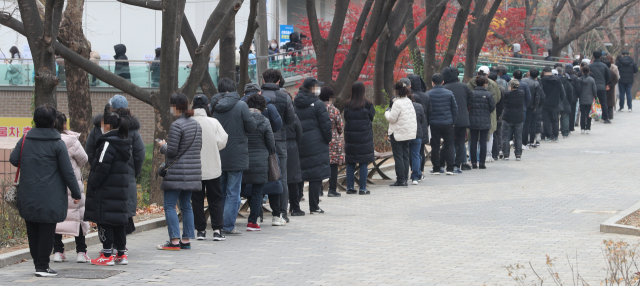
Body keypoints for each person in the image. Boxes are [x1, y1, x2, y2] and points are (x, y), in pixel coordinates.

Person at [10, 105, 81, 276]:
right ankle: (42, 266)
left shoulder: (25, 139)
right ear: (53, 121)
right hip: (51, 197)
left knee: (33, 231)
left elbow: (13, 159)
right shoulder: (57, 143)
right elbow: (68, 172)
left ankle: (38, 265)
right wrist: (76, 194)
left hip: (28, 194)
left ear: (35, 119)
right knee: (47, 232)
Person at [85, 104, 132, 265]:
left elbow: (101, 167)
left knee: (104, 220)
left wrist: (93, 184)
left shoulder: (107, 143)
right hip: (119, 190)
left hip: (105, 191)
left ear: (108, 126)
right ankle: (121, 253)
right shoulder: (123, 143)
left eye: (102, 125)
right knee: (118, 221)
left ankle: (106, 255)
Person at [155, 93, 202, 250]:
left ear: (175, 107)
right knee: (186, 206)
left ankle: (174, 240)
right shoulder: (196, 125)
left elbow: (173, 151)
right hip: (192, 172)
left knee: (169, 205)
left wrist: (163, 145)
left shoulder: (177, 125)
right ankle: (186, 240)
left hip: (176, 173)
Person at [52, 112, 91, 264]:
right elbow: (84, 159)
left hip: (55, 185)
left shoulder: (49, 140)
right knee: (77, 217)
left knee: (55, 219)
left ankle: (58, 251)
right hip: (72, 184)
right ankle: (81, 252)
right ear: (64, 125)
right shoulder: (71, 140)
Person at [191, 94, 228, 241]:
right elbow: (223, 140)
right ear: (207, 106)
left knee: (197, 200)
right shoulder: (213, 122)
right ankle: (217, 230)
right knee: (215, 199)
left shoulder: (188, 122)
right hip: (212, 167)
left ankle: (200, 231)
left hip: (193, 168)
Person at [261, 69, 295, 223]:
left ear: (263, 81)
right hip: (280, 140)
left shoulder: (257, 96)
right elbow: (290, 120)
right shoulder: (284, 97)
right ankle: (282, 213)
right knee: (281, 176)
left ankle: (258, 214)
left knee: (259, 175)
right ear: (278, 81)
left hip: (259, 140)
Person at [108, 97, 145, 238]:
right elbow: (140, 154)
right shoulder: (134, 131)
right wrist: (135, 172)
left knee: (109, 209)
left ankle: (109, 246)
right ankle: (121, 246)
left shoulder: (107, 126)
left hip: (107, 174)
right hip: (127, 175)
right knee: (124, 209)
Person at [294, 77, 332, 213]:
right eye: (317, 86)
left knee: (299, 174)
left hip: (299, 141)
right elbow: (326, 125)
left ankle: (295, 205)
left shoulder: (295, 103)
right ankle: (314, 206)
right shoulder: (318, 104)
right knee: (316, 175)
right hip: (316, 143)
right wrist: (327, 139)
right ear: (312, 88)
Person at [242, 94, 276, 231]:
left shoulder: (241, 119)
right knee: (257, 192)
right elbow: (271, 143)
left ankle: (228, 221)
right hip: (260, 162)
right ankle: (252, 222)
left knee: (235, 190)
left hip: (242, 159)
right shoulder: (265, 121)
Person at [344, 81, 375, 194]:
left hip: (351, 138)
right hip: (364, 138)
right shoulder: (368, 104)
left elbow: (346, 118)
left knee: (351, 163)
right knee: (363, 163)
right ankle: (362, 188)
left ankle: (350, 188)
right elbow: (372, 117)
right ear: (363, 91)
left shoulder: (347, 104)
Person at [386, 81, 417, 185]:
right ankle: (405, 179)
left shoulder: (397, 103)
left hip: (398, 133)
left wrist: (387, 112)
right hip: (407, 133)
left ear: (396, 91)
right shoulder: (409, 101)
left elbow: (392, 119)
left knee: (398, 156)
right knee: (405, 156)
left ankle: (400, 179)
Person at [467, 66, 501, 163]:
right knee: (486, 139)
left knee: (472, 139)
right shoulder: (492, 85)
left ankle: (472, 160)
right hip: (487, 117)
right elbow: (496, 99)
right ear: (487, 75)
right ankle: (483, 159)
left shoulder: (469, 84)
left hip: (472, 116)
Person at [442, 66, 472, 171]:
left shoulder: (444, 88)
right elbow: (471, 99)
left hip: (449, 119)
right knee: (460, 142)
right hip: (463, 119)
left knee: (448, 142)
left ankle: (446, 163)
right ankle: (458, 164)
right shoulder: (464, 86)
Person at [429, 73, 458, 175]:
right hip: (448, 123)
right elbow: (455, 109)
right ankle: (450, 168)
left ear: (432, 82)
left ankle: (436, 168)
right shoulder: (449, 93)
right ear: (443, 82)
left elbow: (428, 110)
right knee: (449, 145)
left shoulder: (429, 94)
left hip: (434, 123)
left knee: (435, 146)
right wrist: (453, 121)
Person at [320, 86, 344, 197]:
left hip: (319, 140)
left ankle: (319, 190)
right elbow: (340, 127)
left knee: (319, 164)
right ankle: (332, 189)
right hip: (333, 141)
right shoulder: (334, 110)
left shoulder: (317, 109)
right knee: (333, 166)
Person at [468, 76, 495, 169]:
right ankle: (482, 163)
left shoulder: (471, 93)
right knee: (483, 142)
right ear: (484, 84)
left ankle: (474, 162)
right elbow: (492, 107)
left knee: (473, 141)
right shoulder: (488, 94)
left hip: (472, 120)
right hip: (485, 120)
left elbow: (468, 105)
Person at [407, 74, 431, 174]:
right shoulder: (426, 96)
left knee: (410, 151)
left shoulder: (408, 96)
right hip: (423, 126)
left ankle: (413, 170)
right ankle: (421, 170)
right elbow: (430, 112)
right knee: (420, 150)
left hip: (410, 126)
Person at [501, 79, 525, 161]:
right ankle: (518, 154)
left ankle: (506, 154)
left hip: (507, 116)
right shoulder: (522, 93)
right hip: (519, 117)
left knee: (505, 136)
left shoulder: (507, 94)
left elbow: (503, 103)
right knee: (518, 136)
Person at [286, 111, 305, 215]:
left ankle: (280, 209)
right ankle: (295, 207)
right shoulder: (293, 116)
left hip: (277, 144)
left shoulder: (274, 114)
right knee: (293, 179)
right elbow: (299, 133)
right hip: (291, 146)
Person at [540, 67, 565, 142]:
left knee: (546, 120)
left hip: (545, 103)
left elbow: (540, 92)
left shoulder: (542, 80)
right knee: (555, 120)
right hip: (555, 103)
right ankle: (556, 136)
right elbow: (562, 92)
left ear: (544, 72)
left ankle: (548, 136)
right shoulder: (558, 80)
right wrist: (561, 100)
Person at [521, 68, 545, 148]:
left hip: (521, 105)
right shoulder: (536, 83)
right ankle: (531, 141)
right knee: (532, 124)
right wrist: (536, 106)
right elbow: (539, 97)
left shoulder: (522, 81)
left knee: (524, 124)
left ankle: (523, 141)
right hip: (532, 107)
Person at [589, 50, 611, 123]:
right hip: (602, 86)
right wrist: (605, 83)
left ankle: (591, 116)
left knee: (591, 102)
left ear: (593, 56)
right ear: (600, 56)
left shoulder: (590, 66)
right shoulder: (604, 66)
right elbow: (608, 76)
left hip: (592, 87)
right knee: (603, 102)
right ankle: (605, 117)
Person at [410, 92, 427, 184]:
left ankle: (404, 176)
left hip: (406, 134)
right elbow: (422, 120)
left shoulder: (405, 106)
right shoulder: (420, 107)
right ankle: (416, 177)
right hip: (417, 133)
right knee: (416, 155)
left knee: (405, 155)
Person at [578, 66, 597, 134]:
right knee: (589, 114)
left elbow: (578, 89)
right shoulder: (591, 80)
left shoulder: (579, 79)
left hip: (582, 99)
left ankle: (582, 128)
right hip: (589, 99)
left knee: (582, 114)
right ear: (589, 71)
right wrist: (595, 96)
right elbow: (594, 90)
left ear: (582, 71)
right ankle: (588, 128)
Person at [556, 67, 574, 138]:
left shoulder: (555, 81)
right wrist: (570, 101)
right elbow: (570, 93)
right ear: (562, 73)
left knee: (555, 118)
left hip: (556, 102)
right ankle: (565, 133)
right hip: (566, 102)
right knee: (565, 117)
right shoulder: (567, 81)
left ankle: (555, 132)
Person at [604, 55, 619, 120]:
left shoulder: (603, 70)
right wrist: (611, 85)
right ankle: (611, 115)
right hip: (612, 87)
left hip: (604, 87)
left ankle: (604, 115)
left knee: (604, 101)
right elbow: (617, 78)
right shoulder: (614, 68)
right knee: (611, 101)